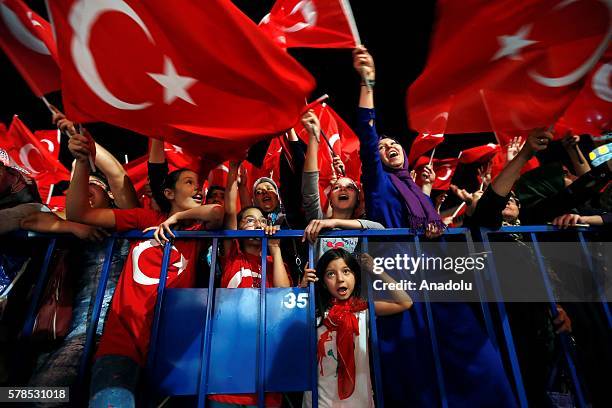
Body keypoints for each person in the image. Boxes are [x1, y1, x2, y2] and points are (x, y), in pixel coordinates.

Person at [353, 45, 516, 406]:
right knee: (416, 376)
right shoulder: (379, 185)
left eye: (394, 143)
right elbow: (367, 137)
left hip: (439, 281)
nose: (389, 146)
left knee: (480, 365)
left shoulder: (415, 189)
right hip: (401, 283)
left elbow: (433, 224)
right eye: (383, 146)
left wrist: (434, 225)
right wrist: (368, 82)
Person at [64, 127, 223, 408]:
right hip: (121, 341)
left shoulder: (198, 230)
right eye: (188, 182)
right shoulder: (144, 217)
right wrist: (80, 163)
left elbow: (216, 212)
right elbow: (80, 213)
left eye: (198, 184)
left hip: (173, 347)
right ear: (168, 192)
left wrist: (177, 220)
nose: (198, 188)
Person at [205, 162, 290, 407]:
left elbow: (284, 296)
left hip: (267, 356)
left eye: (261, 221)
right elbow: (231, 211)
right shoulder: (234, 253)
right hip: (230, 361)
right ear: (239, 228)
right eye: (248, 221)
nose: (255, 225)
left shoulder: (275, 261)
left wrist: (275, 248)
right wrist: (232, 172)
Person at [300, 248, 412, 407]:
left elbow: (405, 302)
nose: (340, 279)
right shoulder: (313, 309)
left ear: (355, 276)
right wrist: (301, 290)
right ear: (323, 282)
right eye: (331, 274)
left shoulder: (363, 309)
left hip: (359, 400)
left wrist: (376, 270)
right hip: (320, 400)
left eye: (346, 271)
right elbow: (282, 320)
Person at [300, 110, 384, 257]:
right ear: (330, 200)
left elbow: (380, 229)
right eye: (336, 187)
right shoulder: (319, 222)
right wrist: (314, 138)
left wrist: (334, 223)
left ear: (358, 199)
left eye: (350, 187)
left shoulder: (361, 228)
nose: (343, 189)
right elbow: (310, 187)